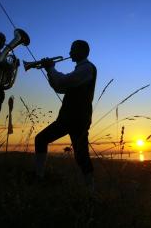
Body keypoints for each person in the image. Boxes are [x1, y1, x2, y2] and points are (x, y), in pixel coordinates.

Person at [34, 40, 97, 191]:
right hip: (72, 118)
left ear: (82, 51)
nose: (69, 53)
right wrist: (50, 71)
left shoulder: (87, 68)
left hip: (76, 119)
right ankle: (91, 191)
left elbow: (63, 81)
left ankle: (39, 177)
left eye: (72, 50)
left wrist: (51, 68)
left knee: (80, 156)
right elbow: (59, 87)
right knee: (81, 156)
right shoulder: (80, 70)